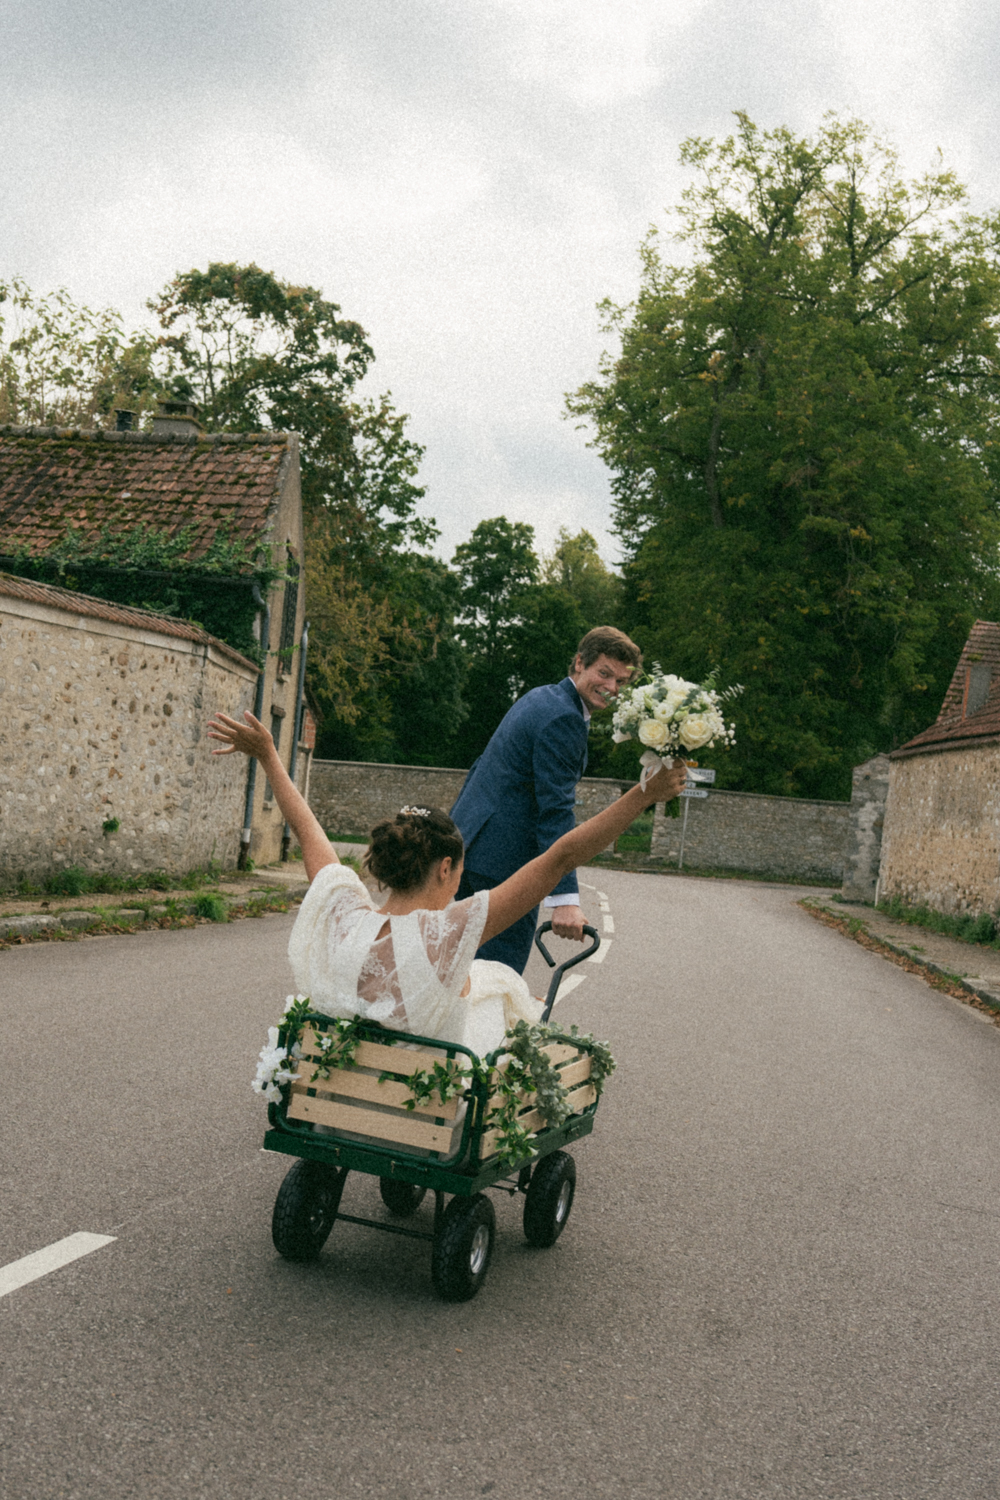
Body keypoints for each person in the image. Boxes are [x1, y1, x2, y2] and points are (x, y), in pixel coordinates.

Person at [207, 708, 685, 1056]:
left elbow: (309, 831)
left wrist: (269, 756)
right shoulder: (454, 929)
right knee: (504, 1000)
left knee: (485, 983)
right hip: (431, 1085)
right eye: (461, 868)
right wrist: (643, 794)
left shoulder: (345, 912)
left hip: (350, 1068)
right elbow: (561, 855)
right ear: (445, 868)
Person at [450, 625, 642, 975]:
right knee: (495, 977)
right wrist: (565, 900)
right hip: (504, 868)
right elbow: (555, 810)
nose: (612, 688)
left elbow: (482, 768)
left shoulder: (542, 696)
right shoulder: (564, 718)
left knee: (460, 969)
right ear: (579, 663)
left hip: (471, 847)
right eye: (605, 673)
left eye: (621, 682)